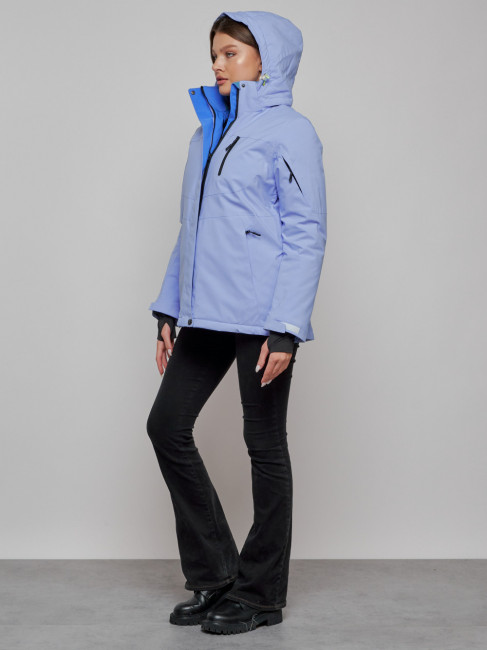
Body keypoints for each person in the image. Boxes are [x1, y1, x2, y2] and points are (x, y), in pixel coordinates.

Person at [146, 10, 327, 635]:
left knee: (263, 445)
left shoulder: (291, 132)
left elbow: (306, 233)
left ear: (265, 61)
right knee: (167, 427)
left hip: (262, 316)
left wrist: (287, 328)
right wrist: (169, 306)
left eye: (230, 53)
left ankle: (261, 593)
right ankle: (216, 574)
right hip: (206, 310)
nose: (218, 64)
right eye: (214, 54)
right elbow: (192, 229)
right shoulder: (207, 132)